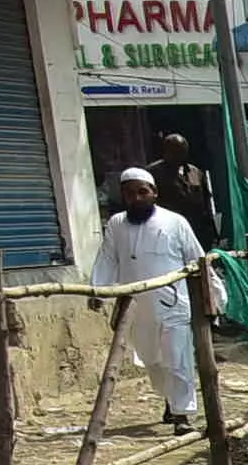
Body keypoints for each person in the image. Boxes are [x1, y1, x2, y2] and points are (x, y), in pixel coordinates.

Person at [89, 166, 208, 431]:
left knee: (177, 359)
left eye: (142, 192)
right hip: (137, 308)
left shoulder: (175, 222)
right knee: (153, 361)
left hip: (174, 304)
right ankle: (170, 402)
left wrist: (214, 296)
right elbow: (108, 258)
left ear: (154, 192)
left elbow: (197, 258)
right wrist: (98, 289)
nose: (136, 198)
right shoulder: (116, 224)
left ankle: (182, 416)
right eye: (130, 194)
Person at [151, 132, 222, 251]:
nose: (178, 155)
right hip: (170, 229)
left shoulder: (195, 172)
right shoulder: (154, 173)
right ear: (166, 151)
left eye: (182, 151)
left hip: (197, 229)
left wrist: (212, 230)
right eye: (175, 151)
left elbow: (206, 202)